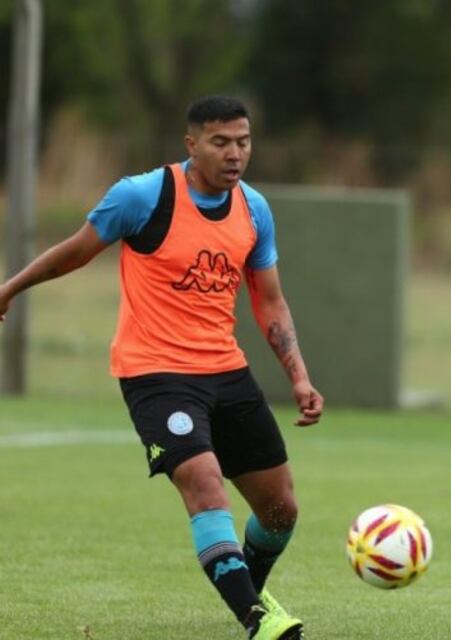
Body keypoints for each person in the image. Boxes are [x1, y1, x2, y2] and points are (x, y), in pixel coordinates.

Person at [0, 96, 321, 640]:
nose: (235, 153)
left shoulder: (254, 209)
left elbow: (269, 300)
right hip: (156, 373)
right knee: (203, 480)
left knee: (280, 511)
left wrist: (298, 375)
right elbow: (76, 252)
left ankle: (246, 586)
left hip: (226, 370)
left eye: (243, 141)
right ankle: (257, 619)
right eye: (221, 142)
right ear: (191, 144)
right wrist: (9, 289)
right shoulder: (143, 196)